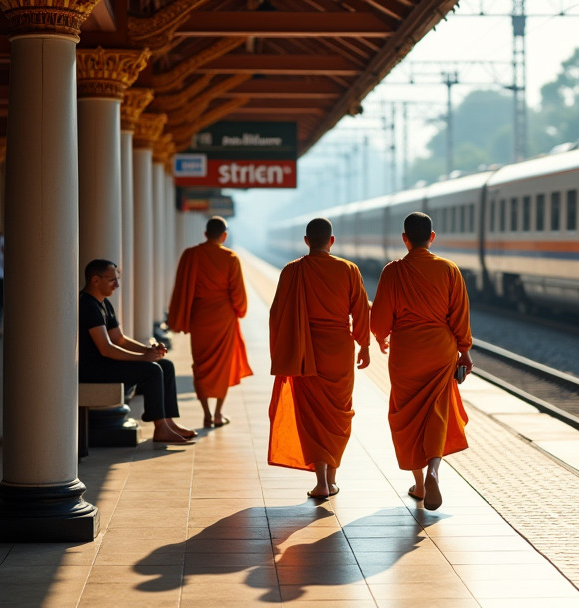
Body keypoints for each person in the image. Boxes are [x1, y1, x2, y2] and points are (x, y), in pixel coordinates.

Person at [370, 211, 473, 511]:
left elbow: (379, 320)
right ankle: (434, 471)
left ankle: (417, 483)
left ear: (404, 239)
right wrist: (464, 350)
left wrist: (380, 337)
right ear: (432, 237)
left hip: (406, 353)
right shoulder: (449, 269)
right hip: (440, 350)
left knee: (406, 415)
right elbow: (460, 316)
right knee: (437, 412)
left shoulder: (393, 271)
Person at [267, 217, 372, 498]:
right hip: (339, 350)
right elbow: (361, 311)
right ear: (332, 241)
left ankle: (321, 481)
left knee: (311, 416)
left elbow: (276, 316)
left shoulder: (291, 271)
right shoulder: (348, 269)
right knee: (338, 414)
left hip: (305, 352)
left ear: (306, 241)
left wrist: (282, 353)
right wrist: (364, 345)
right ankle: (332, 478)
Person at [79, 259, 197, 445]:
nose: (117, 285)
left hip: (107, 363)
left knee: (165, 365)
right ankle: (160, 429)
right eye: (112, 280)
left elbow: (119, 339)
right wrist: (143, 358)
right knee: (151, 370)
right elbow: (106, 348)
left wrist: (149, 350)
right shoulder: (87, 305)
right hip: (94, 369)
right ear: (95, 280)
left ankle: (168, 422)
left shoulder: (104, 304)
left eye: (117, 279)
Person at [167, 215, 253, 428]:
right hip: (224, 318)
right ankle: (217, 413)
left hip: (200, 316)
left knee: (201, 365)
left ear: (205, 234)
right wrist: (240, 311)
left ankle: (206, 413)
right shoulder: (231, 258)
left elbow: (181, 288)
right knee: (223, 366)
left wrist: (179, 317)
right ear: (224, 236)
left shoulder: (190, 255)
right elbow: (238, 294)